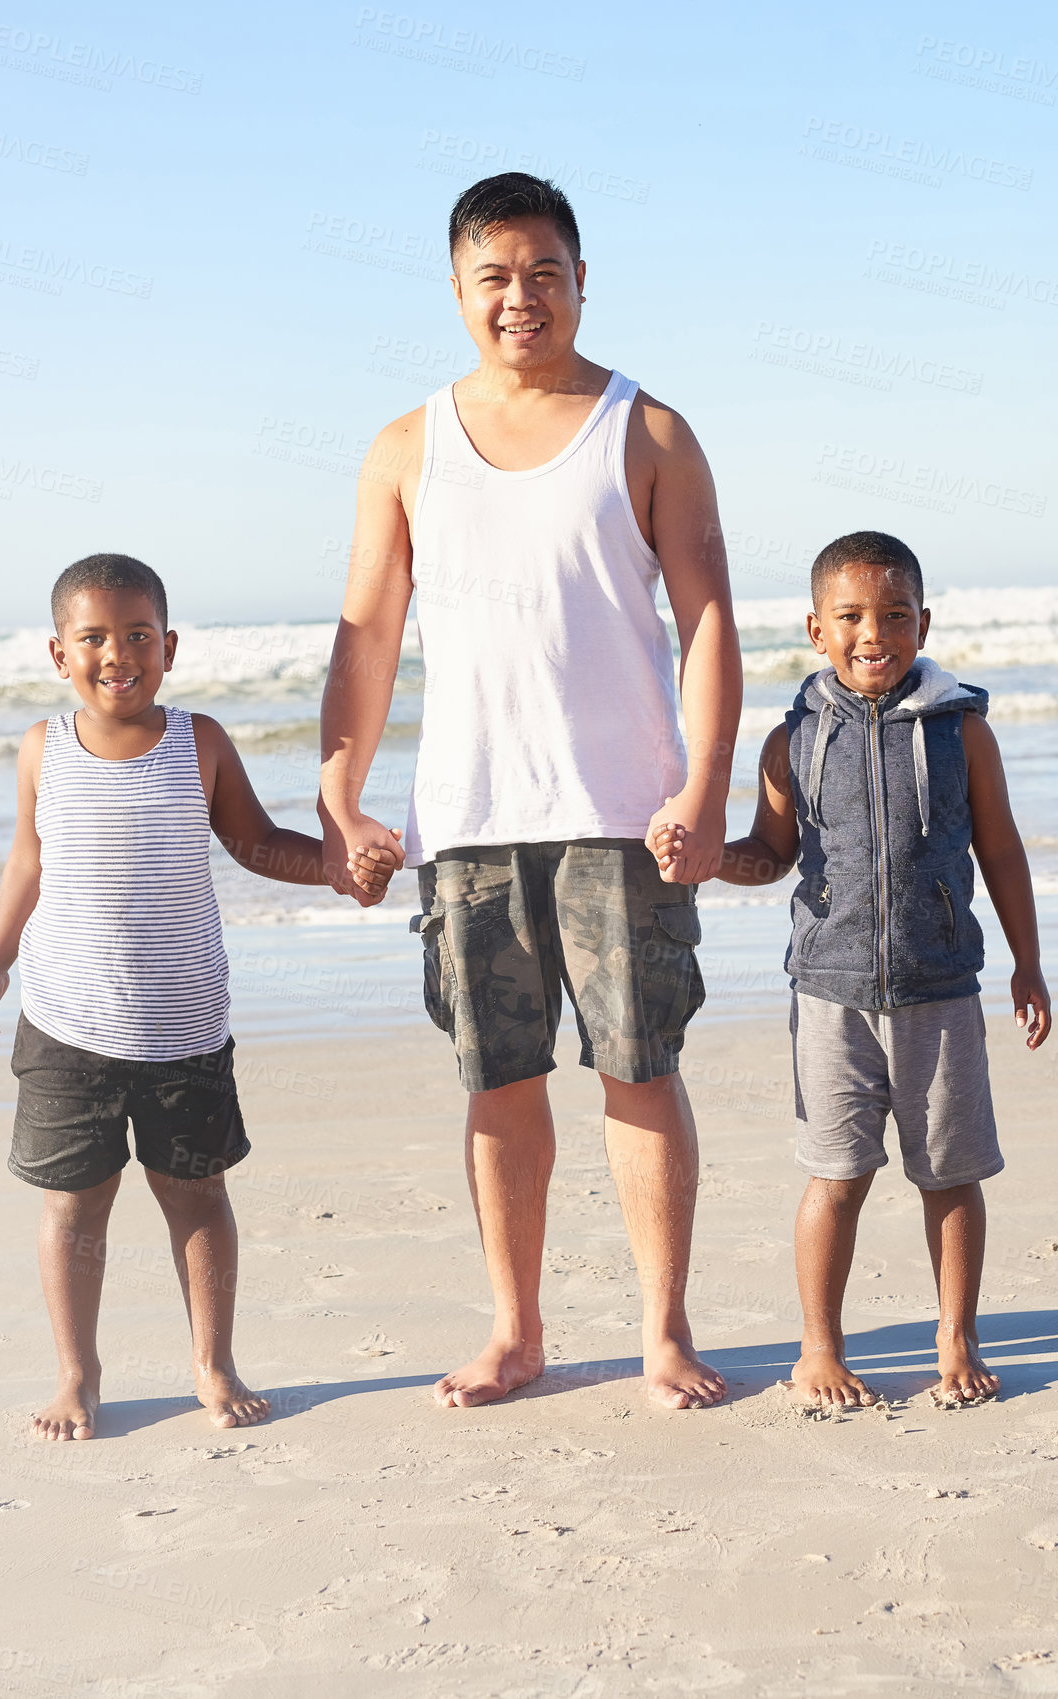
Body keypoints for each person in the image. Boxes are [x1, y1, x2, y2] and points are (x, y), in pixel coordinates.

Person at [319, 173, 742, 1409]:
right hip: (472, 823)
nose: (522, 297)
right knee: (495, 1080)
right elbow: (365, 633)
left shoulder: (648, 430)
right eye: (495, 276)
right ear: (458, 290)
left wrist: (708, 785)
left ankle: (664, 1332)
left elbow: (708, 615)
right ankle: (517, 1330)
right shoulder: (408, 446)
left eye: (544, 271)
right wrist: (341, 793)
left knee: (640, 1067)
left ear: (581, 277)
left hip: (626, 812)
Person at [0, 554, 395, 1441]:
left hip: (184, 1027)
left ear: (170, 647)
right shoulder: (43, 747)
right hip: (67, 1025)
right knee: (73, 1205)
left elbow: (257, 843)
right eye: (93, 638)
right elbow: (27, 862)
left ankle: (213, 1362)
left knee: (196, 1198)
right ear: (57, 652)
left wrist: (338, 871)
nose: (116, 654)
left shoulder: (198, 742)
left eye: (137, 635)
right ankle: (77, 1376)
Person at [658, 530, 1051, 1406]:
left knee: (950, 1171)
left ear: (924, 622)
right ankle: (819, 1346)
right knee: (837, 1173)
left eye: (895, 615)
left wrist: (1029, 961)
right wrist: (707, 856)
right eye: (851, 616)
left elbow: (1003, 851)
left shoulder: (962, 732)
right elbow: (768, 855)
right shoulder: (789, 743)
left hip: (941, 986)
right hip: (829, 993)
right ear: (815, 628)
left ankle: (957, 1335)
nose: (874, 633)